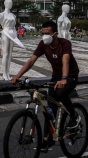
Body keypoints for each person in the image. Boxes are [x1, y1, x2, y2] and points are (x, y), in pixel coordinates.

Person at [10, 20, 81, 150]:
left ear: (55, 34)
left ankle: (74, 116)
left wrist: (64, 78)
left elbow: (66, 60)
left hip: (70, 75)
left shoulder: (65, 43)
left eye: (47, 33)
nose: (44, 36)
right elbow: (31, 60)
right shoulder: (43, 44)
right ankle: (47, 139)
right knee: (49, 108)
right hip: (56, 76)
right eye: (43, 33)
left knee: (60, 94)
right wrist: (17, 76)